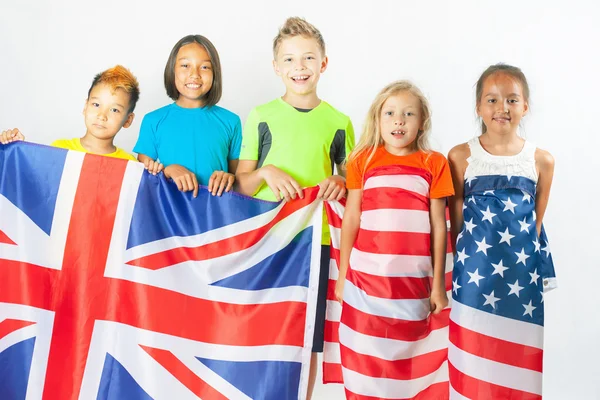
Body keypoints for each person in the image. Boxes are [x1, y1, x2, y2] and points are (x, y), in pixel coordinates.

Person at [234, 17, 355, 400]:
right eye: (288, 60)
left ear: (324, 64)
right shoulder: (261, 116)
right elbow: (241, 183)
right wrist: (267, 172)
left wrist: (342, 183)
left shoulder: (339, 122)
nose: (298, 68)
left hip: (315, 243)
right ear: (275, 67)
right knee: (263, 326)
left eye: (307, 58)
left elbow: (352, 184)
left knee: (309, 335)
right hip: (268, 239)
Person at [335, 80, 453, 398]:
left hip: (413, 283)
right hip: (366, 281)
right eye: (389, 113)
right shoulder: (363, 161)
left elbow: (439, 225)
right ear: (377, 120)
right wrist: (344, 273)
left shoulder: (434, 163)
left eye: (408, 113)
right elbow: (352, 218)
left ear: (422, 122)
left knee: (408, 357)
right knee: (366, 356)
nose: (398, 120)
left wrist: (438, 284)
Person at [447, 63, 556, 399]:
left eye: (511, 100)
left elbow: (537, 220)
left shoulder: (541, 160)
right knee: (474, 351)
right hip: (474, 274)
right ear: (479, 107)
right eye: (492, 100)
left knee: (516, 357)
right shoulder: (461, 156)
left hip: (521, 275)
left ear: (525, 107)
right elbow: (456, 214)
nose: (502, 108)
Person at [134, 34, 242, 197]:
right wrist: (168, 171)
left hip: (217, 215)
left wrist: (230, 178)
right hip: (169, 215)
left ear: (215, 73)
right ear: (172, 70)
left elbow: (240, 180)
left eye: (205, 67)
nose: (195, 74)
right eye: (185, 65)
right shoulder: (153, 121)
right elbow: (142, 180)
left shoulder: (231, 121)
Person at [1, 65, 140, 161]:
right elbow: (37, 184)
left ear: (128, 120)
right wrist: (14, 149)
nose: (102, 116)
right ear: (86, 107)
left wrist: (155, 170)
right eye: (96, 105)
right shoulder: (60, 150)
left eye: (114, 110)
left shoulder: (129, 164)